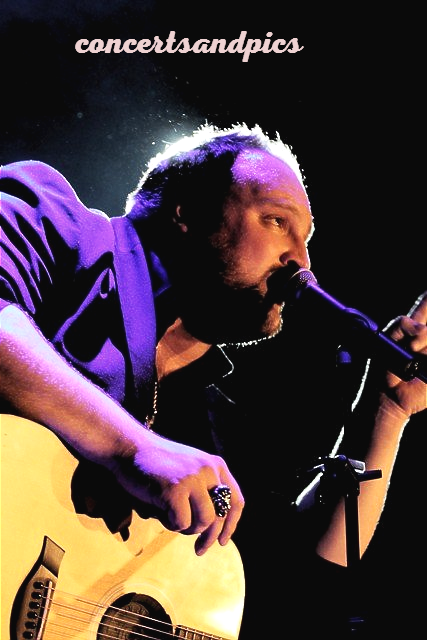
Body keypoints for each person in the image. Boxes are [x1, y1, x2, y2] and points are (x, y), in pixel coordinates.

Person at [0, 123, 426, 638]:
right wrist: (133, 448)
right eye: (277, 221)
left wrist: (386, 410)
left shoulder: (211, 430)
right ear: (188, 211)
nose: (302, 262)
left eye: (307, 239)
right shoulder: (57, 225)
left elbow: (293, 583)